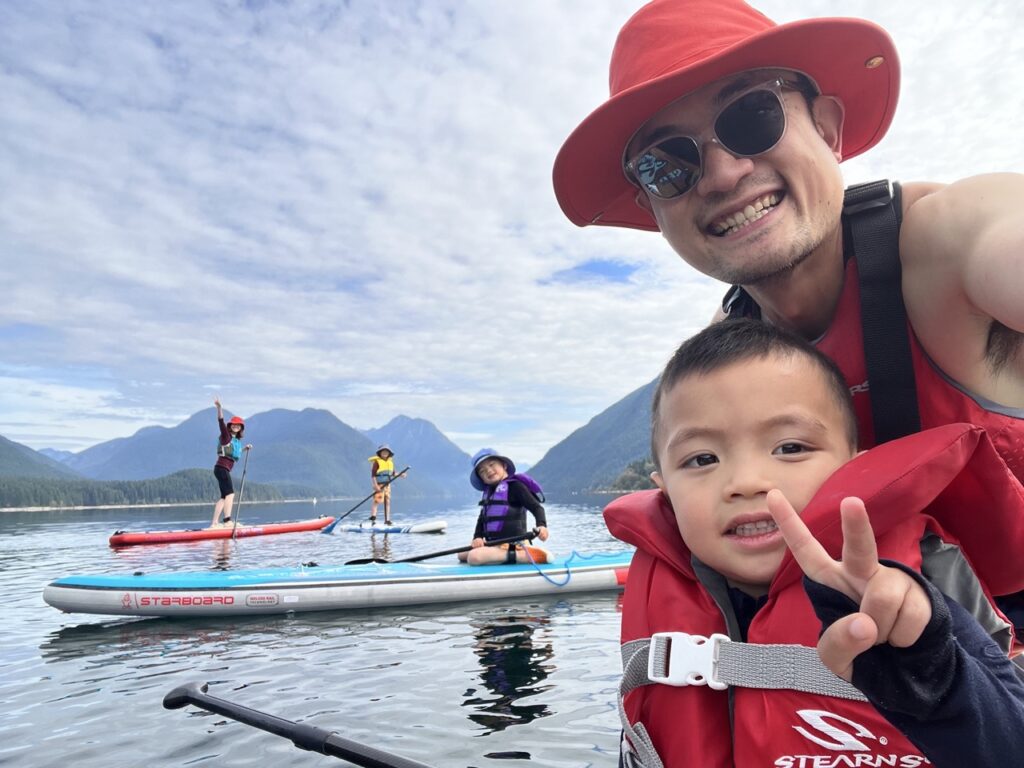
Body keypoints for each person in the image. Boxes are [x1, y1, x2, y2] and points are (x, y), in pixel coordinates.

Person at [552, 0, 1024, 486]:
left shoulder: (953, 237)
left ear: (827, 128)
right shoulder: (728, 346)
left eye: (752, 116)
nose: (721, 175)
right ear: (652, 207)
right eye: (664, 163)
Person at [602, 319, 1024, 767]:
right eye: (702, 458)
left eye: (790, 448)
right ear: (664, 488)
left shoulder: (922, 583)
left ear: (854, 466)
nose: (746, 482)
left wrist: (935, 672)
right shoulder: (659, 584)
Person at [460, 449, 550, 565]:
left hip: (514, 544)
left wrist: (542, 526)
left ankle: (524, 555)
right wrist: (477, 537)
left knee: (474, 557)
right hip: (494, 544)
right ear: (481, 479)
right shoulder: (490, 493)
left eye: (492, 465)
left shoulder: (516, 486)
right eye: (482, 471)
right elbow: (482, 518)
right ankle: (496, 554)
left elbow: (537, 508)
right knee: (462, 554)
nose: (488, 471)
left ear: (504, 465)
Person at [210, 397, 250, 528]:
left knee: (223, 497)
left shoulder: (236, 441)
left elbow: (234, 455)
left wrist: (245, 449)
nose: (236, 427)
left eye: (238, 426)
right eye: (234, 425)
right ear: (230, 426)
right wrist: (219, 407)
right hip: (222, 468)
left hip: (221, 469)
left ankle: (214, 523)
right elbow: (220, 421)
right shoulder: (226, 435)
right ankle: (227, 521)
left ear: (240, 428)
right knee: (230, 494)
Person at [368, 445, 404, 525]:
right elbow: (373, 475)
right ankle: (373, 519)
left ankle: (387, 520)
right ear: (380, 453)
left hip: (387, 485)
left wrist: (401, 475)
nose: (384, 453)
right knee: (377, 501)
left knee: (387, 501)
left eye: (386, 451)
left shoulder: (390, 462)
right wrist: (375, 485)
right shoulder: (377, 462)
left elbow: (393, 473)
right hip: (379, 485)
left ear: (389, 453)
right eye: (383, 451)